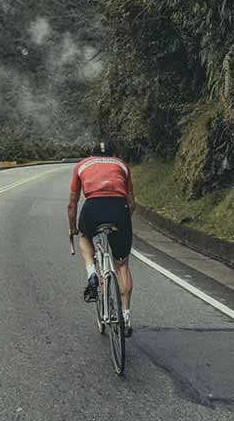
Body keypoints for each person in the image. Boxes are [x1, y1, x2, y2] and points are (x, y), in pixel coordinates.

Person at [68, 141, 135, 336]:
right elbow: (131, 202)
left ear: (91, 154)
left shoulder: (82, 165)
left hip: (93, 208)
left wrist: (72, 228)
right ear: (114, 153)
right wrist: (123, 223)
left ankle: (91, 274)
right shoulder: (121, 164)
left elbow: (72, 203)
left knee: (85, 237)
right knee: (122, 265)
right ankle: (126, 317)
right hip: (118, 209)